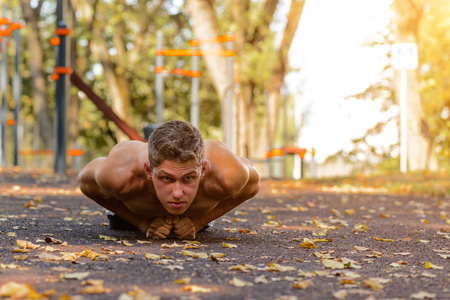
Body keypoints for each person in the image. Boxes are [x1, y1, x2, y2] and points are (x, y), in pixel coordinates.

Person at [78, 120, 260, 239]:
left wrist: (199, 222)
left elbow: (253, 186)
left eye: (188, 177)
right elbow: (84, 183)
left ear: (203, 169)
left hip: (196, 215)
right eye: (166, 178)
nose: (178, 193)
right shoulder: (121, 174)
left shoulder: (226, 175)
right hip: (134, 212)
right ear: (149, 171)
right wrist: (141, 223)